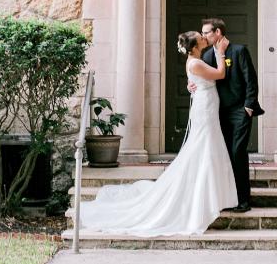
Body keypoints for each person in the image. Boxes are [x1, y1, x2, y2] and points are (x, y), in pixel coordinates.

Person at [79, 31, 237, 236]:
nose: (203, 37)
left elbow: (201, 79)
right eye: (200, 37)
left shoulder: (196, 60)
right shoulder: (196, 62)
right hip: (204, 107)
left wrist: (193, 84)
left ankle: (211, 194)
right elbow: (220, 74)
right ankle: (201, 197)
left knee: (206, 146)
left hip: (206, 104)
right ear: (194, 46)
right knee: (203, 146)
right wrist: (221, 52)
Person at [197, 18, 264, 213]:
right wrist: (192, 85)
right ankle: (226, 197)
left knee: (237, 153)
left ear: (218, 32)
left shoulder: (239, 51)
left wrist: (249, 106)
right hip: (217, 112)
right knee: (222, 155)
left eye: (206, 33)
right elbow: (203, 79)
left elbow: (250, 79)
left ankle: (243, 199)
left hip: (239, 111)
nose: (203, 36)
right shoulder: (208, 55)